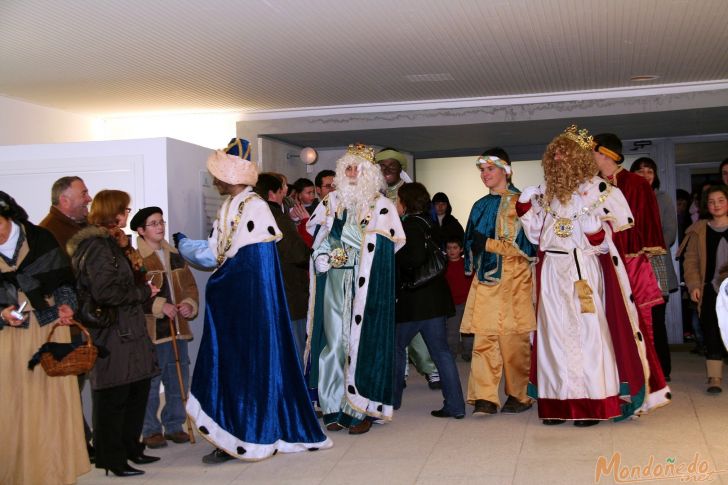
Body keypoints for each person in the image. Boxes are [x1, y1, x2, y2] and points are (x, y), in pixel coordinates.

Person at [176, 140, 331, 463]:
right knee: (228, 367)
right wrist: (185, 246)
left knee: (247, 368)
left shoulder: (256, 208)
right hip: (231, 304)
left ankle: (248, 432)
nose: (215, 181)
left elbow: (254, 267)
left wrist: (222, 282)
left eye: (218, 175)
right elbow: (217, 252)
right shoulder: (231, 205)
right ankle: (229, 431)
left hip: (246, 308)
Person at [517, 125, 651, 426]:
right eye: (555, 155)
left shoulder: (600, 191)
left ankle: (591, 402)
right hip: (552, 268)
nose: (559, 160)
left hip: (583, 269)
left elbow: (611, 238)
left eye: (565, 154)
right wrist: (527, 210)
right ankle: (556, 403)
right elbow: (539, 236)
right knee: (553, 335)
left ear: (579, 158)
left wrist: (594, 233)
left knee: (588, 333)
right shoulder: (546, 193)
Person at [306, 143, 405, 434]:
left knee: (362, 345)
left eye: (357, 168)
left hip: (366, 287)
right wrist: (321, 257)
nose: (351, 173)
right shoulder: (331, 202)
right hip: (335, 283)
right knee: (333, 343)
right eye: (347, 168)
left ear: (369, 174)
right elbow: (320, 239)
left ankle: (362, 408)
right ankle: (333, 406)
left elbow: (387, 253)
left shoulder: (382, 207)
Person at [67, 189, 161, 476]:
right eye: (126, 210)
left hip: (128, 327)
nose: (127, 214)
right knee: (113, 396)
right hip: (112, 330)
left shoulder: (115, 243)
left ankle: (131, 448)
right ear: (114, 212)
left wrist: (142, 290)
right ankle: (112, 458)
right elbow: (105, 292)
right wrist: (143, 291)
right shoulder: (97, 246)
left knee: (135, 389)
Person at [0, 191, 91, 485]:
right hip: (6, 339)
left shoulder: (41, 239)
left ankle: (52, 472)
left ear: (8, 217)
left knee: (50, 405)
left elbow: (64, 280)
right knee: (10, 406)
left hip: (47, 329)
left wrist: (67, 306)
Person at [593, 133, 671, 410]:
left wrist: (656, 277)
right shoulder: (591, 186)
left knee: (640, 325)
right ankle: (613, 383)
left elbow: (651, 230)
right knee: (604, 325)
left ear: (606, 155)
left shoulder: (636, 184)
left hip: (633, 263)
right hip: (600, 264)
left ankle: (646, 385)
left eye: (594, 153)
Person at [460, 148, 537, 416]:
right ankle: (484, 397)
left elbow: (527, 246)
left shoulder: (521, 203)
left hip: (514, 279)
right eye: (482, 170)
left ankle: (520, 394)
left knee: (513, 340)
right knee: (484, 338)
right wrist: (471, 252)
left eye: (490, 169)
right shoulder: (479, 205)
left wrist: (489, 244)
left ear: (506, 171)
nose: (485, 175)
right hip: (486, 280)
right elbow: (470, 240)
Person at [394, 182, 466, 419]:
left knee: (395, 348)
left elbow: (413, 258)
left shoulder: (411, 226)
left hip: (414, 302)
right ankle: (455, 405)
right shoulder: (431, 223)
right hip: (435, 299)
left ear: (405, 203)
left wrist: (395, 252)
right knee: (442, 353)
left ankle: (390, 401)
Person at [130, 207, 199, 449]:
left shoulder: (174, 255)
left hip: (177, 328)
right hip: (152, 331)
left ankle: (174, 424)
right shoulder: (135, 257)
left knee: (178, 377)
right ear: (140, 230)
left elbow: (189, 286)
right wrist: (160, 306)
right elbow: (133, 292)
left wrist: (189, 304)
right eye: (153, 223)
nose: (159, 227)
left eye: (161, 222)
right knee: (151, 381)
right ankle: (150, 429)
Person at [38, 175, 95, 460]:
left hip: (86, 321)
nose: (88, 198)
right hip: (67, 325)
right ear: (65, 200)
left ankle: (82, 443)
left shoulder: (82, 228)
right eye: (83, 193)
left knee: (79, 386)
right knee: (69, 388)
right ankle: (77, 445)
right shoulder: (47, 233)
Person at [375, 147, 440, 389]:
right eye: (382, 166)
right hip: (382, 265)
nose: (387, 170)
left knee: (414, 320)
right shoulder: (373, 194)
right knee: (391, 322)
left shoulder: (410, 194)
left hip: (408, 265)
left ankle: (430, 368)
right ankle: (398, 372)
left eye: (392, 166)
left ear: (401, 169)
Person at [630, 157, 679, 380]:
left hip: (656, 261)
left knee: (657, 320)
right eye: (640, 171)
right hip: (632, 263)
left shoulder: (663, 198)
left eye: (650, 171)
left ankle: (663, 370)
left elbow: (669, 231)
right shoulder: (624, 198)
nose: (645, 175)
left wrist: (651, 247)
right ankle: (638, 368)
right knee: (633, 320)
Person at [254, 173, 311, 365]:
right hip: (289, 294)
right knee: (296, 353)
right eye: (282, 190)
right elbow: (299, 255)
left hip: (265, 295)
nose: (284, 194)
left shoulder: (252, 218)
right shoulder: (277, 218)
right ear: (273, 194)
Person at [678, 185, 728, 393]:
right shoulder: (698, 229)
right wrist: (694, 286)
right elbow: (690, 262)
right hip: (710, 290)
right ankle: (714, 376)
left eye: (721, 200)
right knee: (711, 331)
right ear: (706, 205)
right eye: (711, 201)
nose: (716, 205)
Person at [443, 236, 474, 360]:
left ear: (461, 249)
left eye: (455, 248)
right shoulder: (443, 265)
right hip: (451, 303)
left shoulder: (467, 264)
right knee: (452, 330)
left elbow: (473, 282)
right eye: (449, 248)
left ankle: (468, 353)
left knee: (468, 330)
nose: (452, 251)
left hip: (467, 302)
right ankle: (452, 353)